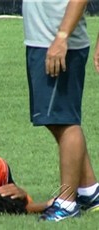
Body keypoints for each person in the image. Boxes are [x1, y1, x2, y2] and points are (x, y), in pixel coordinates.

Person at [22, 0, 99, 222]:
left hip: (59, 44)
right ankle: (89, 191)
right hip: (43, 40)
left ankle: (66, 203)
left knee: (64, 121)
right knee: (55, 119)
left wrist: (62, 36)